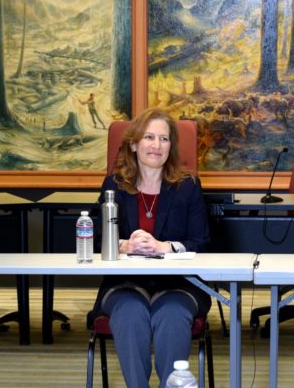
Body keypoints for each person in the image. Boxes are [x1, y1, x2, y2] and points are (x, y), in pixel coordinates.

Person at [92, 108, 210, 388]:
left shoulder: (188, 186)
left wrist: (164, 246)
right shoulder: (114, 185)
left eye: (164, 139)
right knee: (130, 313)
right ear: (133, 144)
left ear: (172, 146)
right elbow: (95, 238)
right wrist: (124, 244)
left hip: (179, 284)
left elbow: (201, 242)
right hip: (125, 283)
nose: (157, 145)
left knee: (171, 315)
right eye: (149, 137)